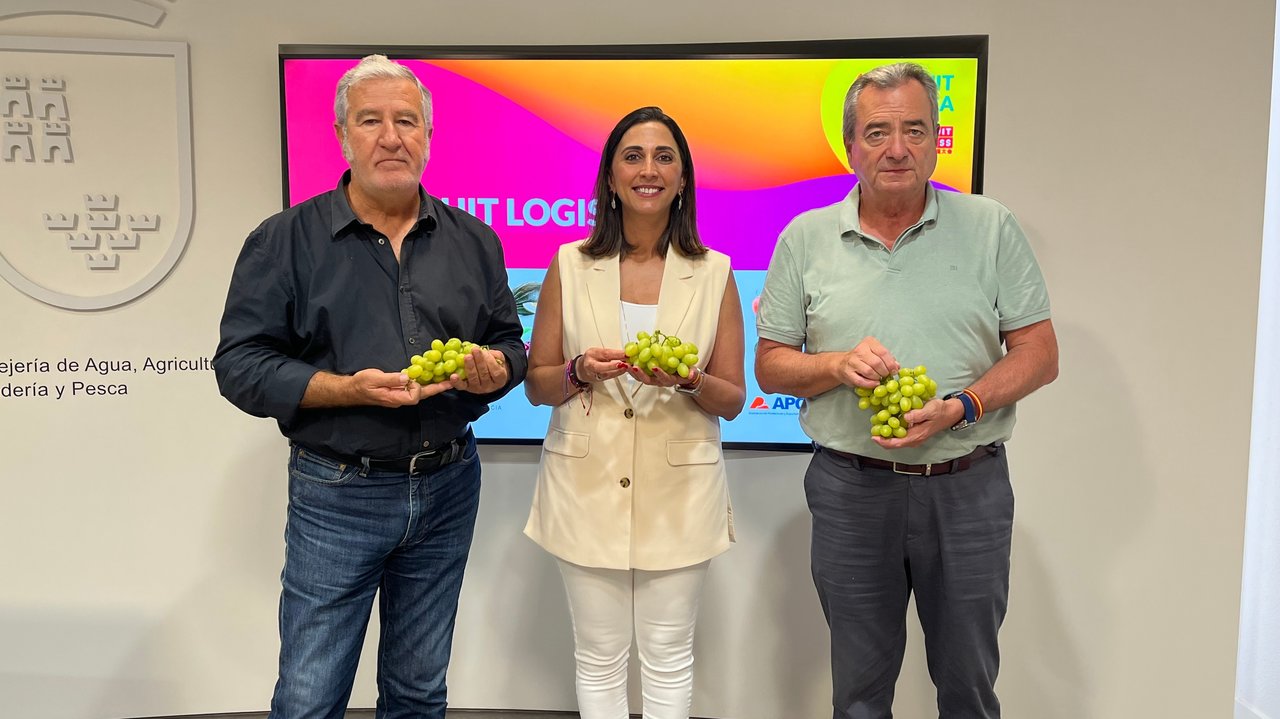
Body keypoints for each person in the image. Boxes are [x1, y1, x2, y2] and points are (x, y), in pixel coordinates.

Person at [213, 54, 527, 719]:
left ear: (429, 137)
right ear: (342, 134)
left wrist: (499, 368)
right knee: (309, 694)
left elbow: (507, 344)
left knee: (419, 691)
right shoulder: (284, 240)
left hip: (448, 484)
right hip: (337, 490)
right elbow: (239, 364)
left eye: (407, 121)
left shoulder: (475, 240)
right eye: (372, 120)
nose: (391, 137)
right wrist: (344, 388)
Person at [755, 63, 1059, 718]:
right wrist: (834, 366)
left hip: (969, 486)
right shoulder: (804, 237)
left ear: (937, 140)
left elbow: (1039, 353)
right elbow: (772, 366)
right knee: (859, 692)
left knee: (969, 687)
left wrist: (962, 406)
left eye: (914, 130)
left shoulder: (991, 226)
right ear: (851, 144)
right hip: (851, 489)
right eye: (878, 132)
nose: (897, 148)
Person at [522, 106, 746, 719]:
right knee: (598, 656)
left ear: (682, 180)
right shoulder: (569, 265)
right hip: (585, 488)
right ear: (611, 177)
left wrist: (690, 378)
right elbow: (537, 385)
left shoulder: (715, 272)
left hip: (681, 494)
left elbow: (733, 396)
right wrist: (579, 372)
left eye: (664, 157)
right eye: (633, 156)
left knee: (669, 656)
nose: (648, 169)